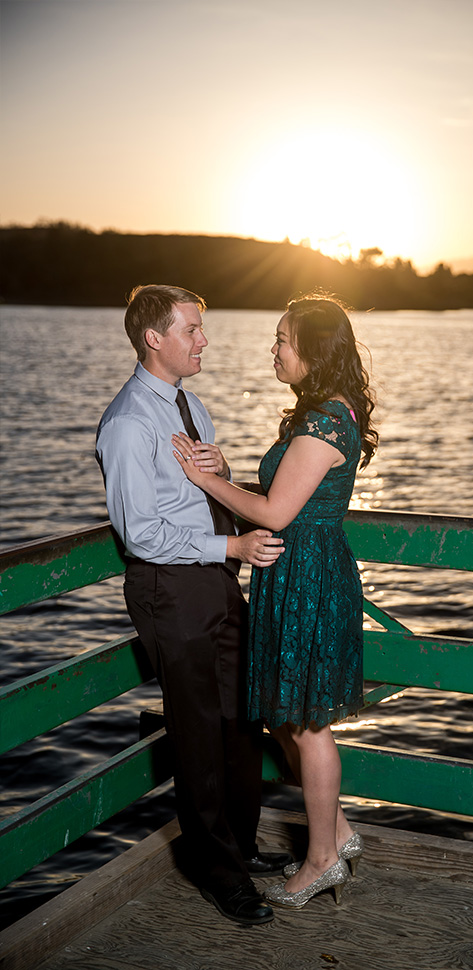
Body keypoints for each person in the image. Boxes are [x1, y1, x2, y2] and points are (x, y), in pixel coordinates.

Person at [172, 293, 378, 910]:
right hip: (297, 573)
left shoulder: (323, 422)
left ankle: (320, 861)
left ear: (313, 349)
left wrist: (208, 480)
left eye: (283, 339)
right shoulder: (319, 414)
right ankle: (337, 835)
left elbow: (276, 511)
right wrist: (233, 471)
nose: (274, 349)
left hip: (309, 579)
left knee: (308, 724)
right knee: (290, 718)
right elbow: (286, 491)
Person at [95, 284, 291, 927]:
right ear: (155, 338)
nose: (204, 339)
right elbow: (140, 533)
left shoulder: (193, 408)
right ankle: (218, 873)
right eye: (192, 330)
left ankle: (239, 845)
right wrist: (233, 541)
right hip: (167, 588)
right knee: (199, 733)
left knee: (241, 717)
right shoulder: (128, 422)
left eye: (201, 329)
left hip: (214, 578)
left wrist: (224, 470)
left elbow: (201, 493)